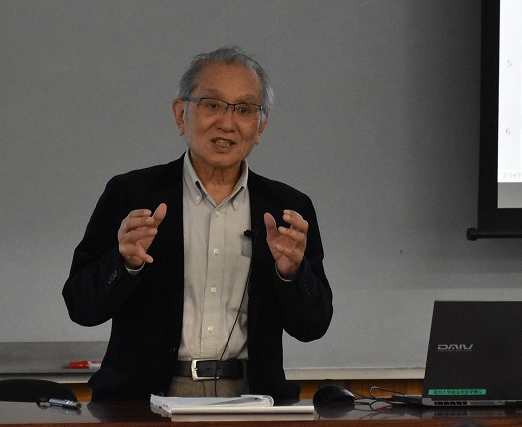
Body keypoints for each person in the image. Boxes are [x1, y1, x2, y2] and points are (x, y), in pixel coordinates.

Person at [62, 45, 333, 401]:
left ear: (261, 125)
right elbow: (81, 307)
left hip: (251, 401)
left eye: (244, 109)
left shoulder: (287, 210)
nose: (227, 123)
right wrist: (124, 263)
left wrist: (292, 274)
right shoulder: (132, 195)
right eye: (212, 105)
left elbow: (313, 326)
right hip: (144, 403)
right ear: (180, 114)